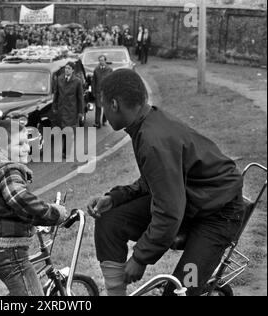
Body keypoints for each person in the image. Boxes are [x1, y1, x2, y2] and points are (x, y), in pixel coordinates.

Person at [88, 69, 244, 296]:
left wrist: (140, 258)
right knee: (110, 218)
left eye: (101, 105)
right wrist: (115, 197)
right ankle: (115, 292)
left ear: (114, 104)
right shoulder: (146, 124)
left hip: (218, 214)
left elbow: (170, 211)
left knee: (181, 290)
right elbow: (156, 180)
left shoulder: (153, 140)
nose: (102, 111)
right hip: (191, 201)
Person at [0, 119, 68, 296]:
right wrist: (55, 213)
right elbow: (19, 199)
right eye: (20, 144)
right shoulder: (8, 170)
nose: (27, 148)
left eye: (27, 143)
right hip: (9, 252)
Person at [53, 61, 85, 157]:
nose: (66, 70)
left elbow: (80, 98)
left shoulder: (77, 81)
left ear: (73, 70)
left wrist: (81, 112)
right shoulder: (59, 79)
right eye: (66, 68)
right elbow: (56, 94)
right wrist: (54, 107)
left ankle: (66, 152)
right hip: (61, 109)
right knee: (63, 130)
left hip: (72, 110)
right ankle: (64, 149)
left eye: (69, 68)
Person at [92, 55, 113, 128]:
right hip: (98, 91)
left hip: (106, 92)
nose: (101, 62)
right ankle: (97, 123)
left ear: (105, 61)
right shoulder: (96, 70)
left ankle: (104, 120)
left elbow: (111, 81)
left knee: (106, 107)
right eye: (100, 60)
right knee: (98, 107)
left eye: (102, 60)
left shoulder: (109, 69)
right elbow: (93, 81)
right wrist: (93, 91)